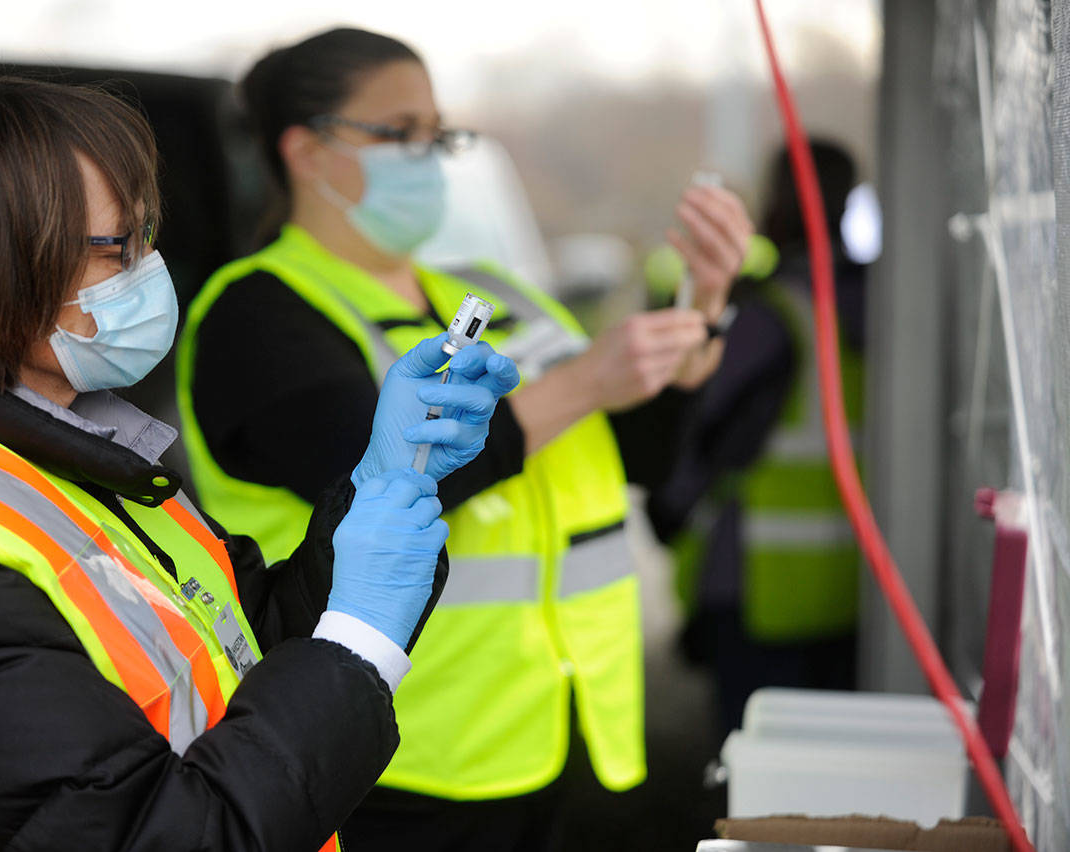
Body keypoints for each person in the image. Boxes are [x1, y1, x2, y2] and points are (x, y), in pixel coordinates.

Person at [0, 76, 518, 851]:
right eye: (119, 248)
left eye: (148, 237)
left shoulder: (62, 447)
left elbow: (233, 648)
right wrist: (356, 646)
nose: (150, 270)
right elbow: (159, 837)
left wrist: (385, 480)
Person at [175, 28, 754, 850]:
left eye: (436, 134)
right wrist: (586, 379)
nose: (428, 155)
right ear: (305, 149)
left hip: (539, 733)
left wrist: (701, 314)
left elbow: (635, 451)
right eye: (398, 132)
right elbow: (371, 478)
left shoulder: (491, 292)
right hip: (382, 754)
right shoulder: (256, 314)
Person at [648, 139, 867, 735]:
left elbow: (698, 420)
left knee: (754, 760)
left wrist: (668, 505)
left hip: (757, 584)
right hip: (856, 584)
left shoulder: (773, 313)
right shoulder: (884, 301)